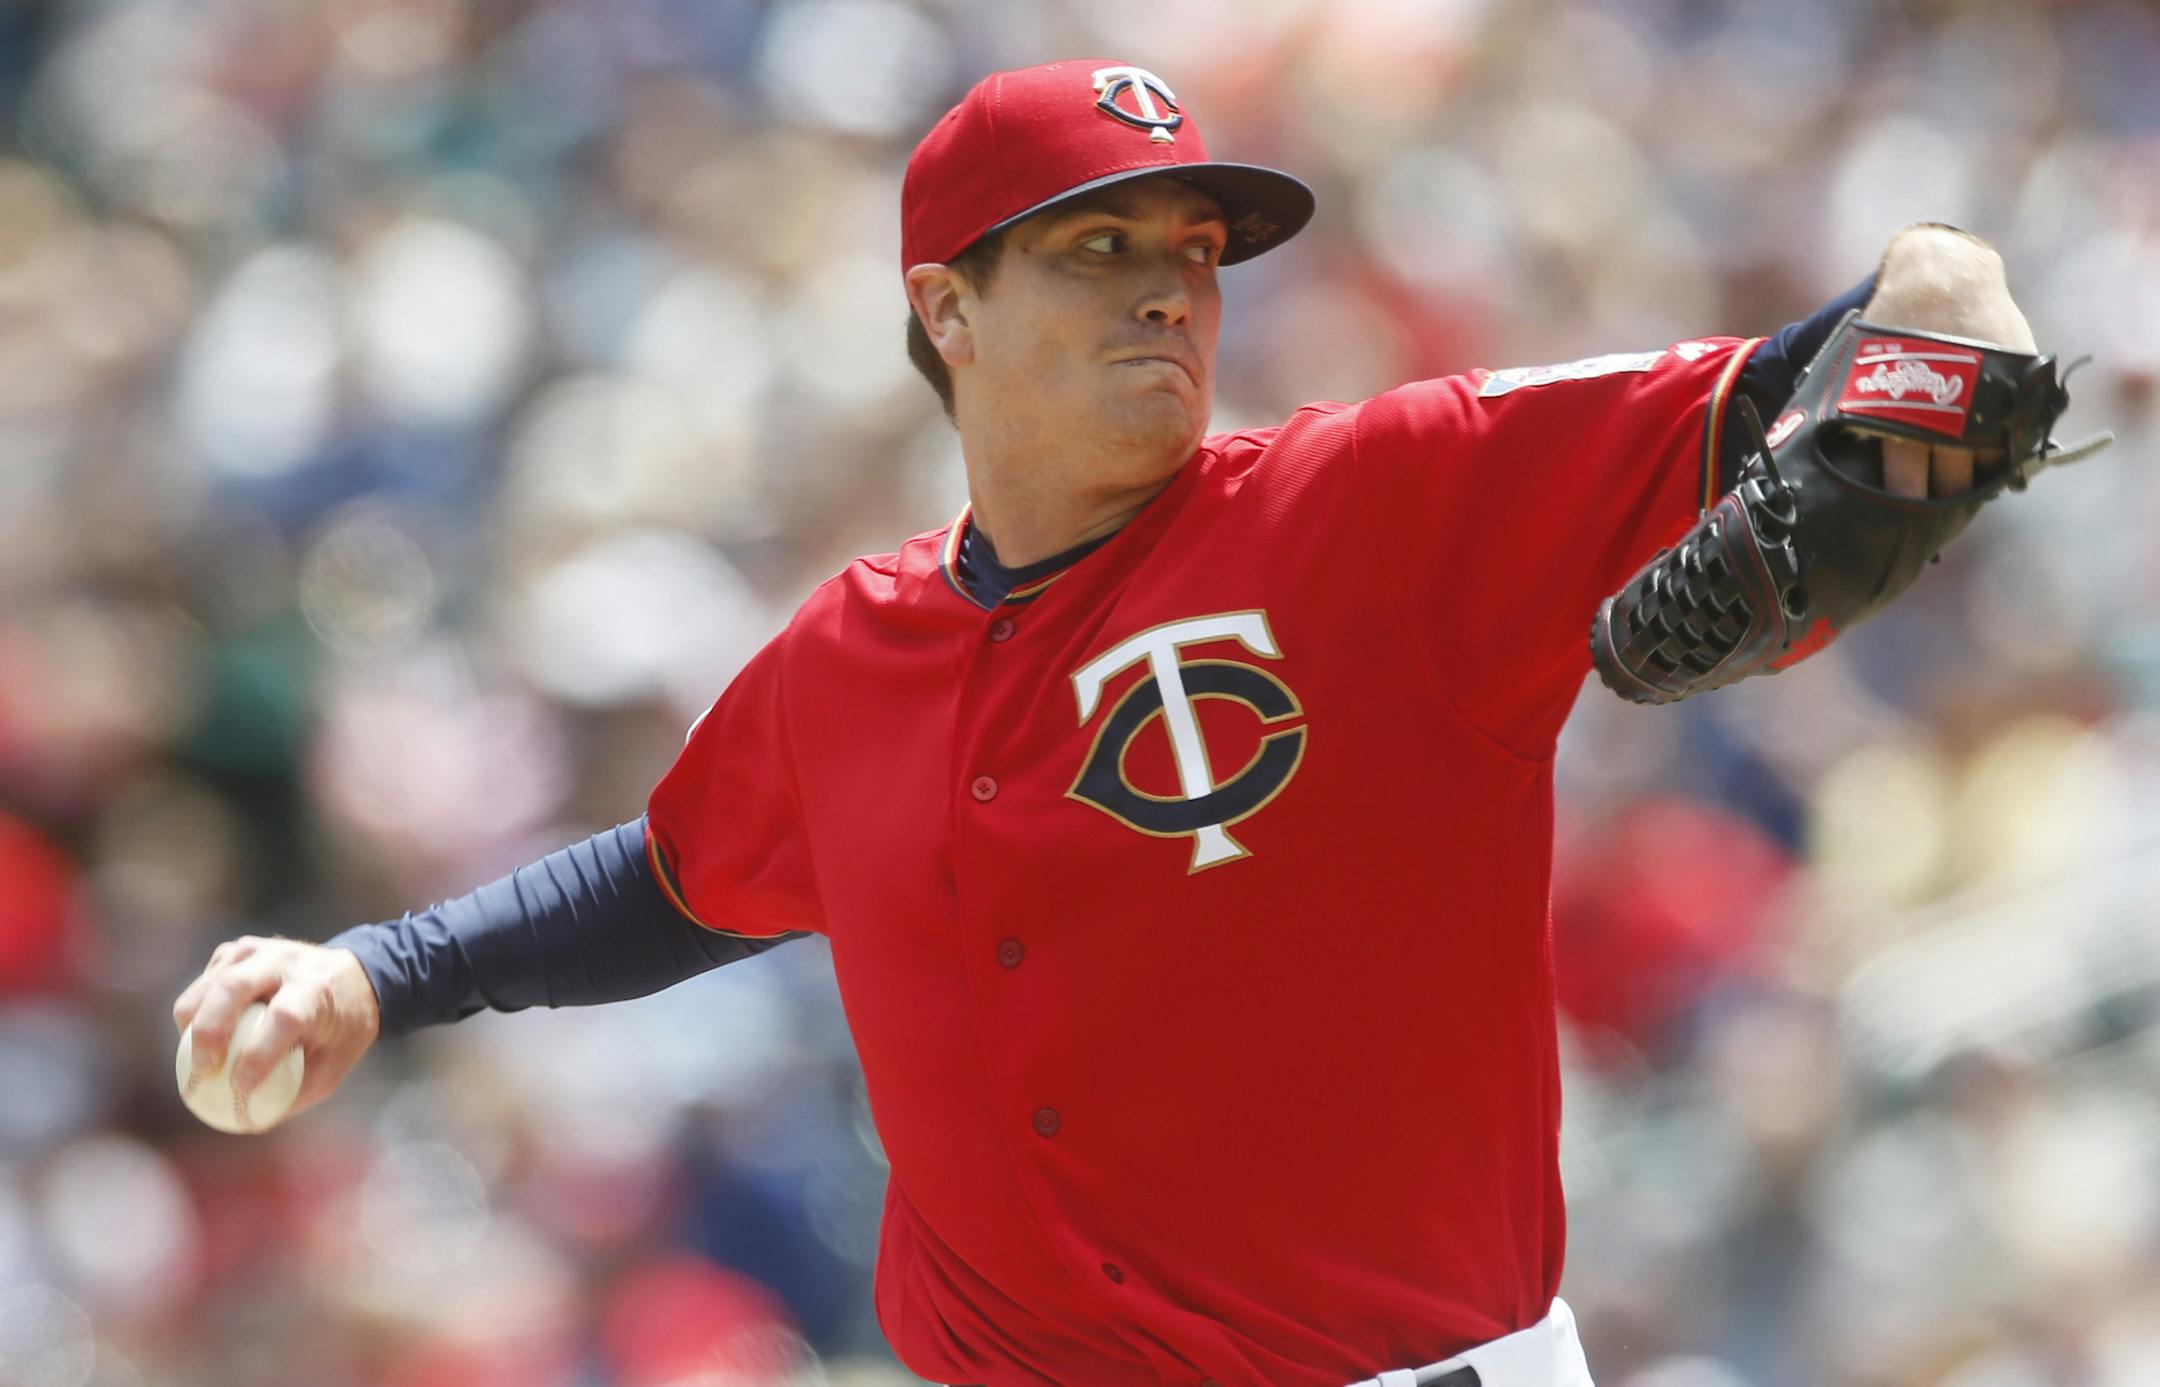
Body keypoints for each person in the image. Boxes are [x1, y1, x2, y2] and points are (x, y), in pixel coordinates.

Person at [173, 58, 2043, 1387]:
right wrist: (377, 972)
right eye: (1095, 244)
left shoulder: (1381, 502)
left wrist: (1939, 318)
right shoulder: (853, 650)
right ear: (946, 309)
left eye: (1198, 246)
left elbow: (1902, 317)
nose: (1170, 279)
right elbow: (679, 881)